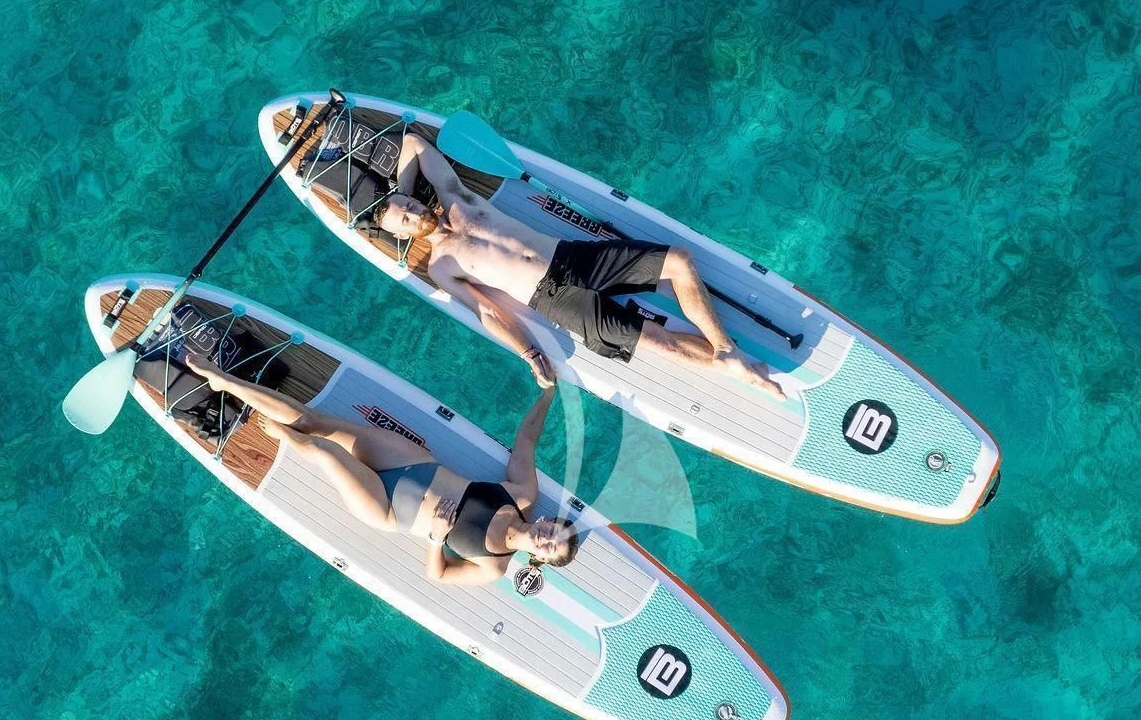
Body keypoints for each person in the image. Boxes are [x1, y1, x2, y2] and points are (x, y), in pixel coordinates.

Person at [367, 132, 785, 397]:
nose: (411, 211)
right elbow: (487, 311)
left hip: (570, 256)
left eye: (408, 203)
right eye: (403, 219)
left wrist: (394, 194)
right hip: (552, 301)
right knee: (658, 343)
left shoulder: (455, 197)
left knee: (678, 260)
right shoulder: (440, 265)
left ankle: (727, 350)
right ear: (403, 236)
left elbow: (414, 145)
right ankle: (730, 369)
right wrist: (528, 352)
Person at [186, 355, 579, 586]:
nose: (545, 538)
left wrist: (436, 538)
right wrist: (547, 393)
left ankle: (275, 431)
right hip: (414, 465)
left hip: (391, 508)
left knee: (322, 450)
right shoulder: (523, 495)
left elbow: (438, 576)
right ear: (547, 520)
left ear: (540, 560)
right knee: (311, 421)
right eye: (553, 531)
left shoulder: (494, 566)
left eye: (550, 547)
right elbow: (526, 441)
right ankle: (224, 382)